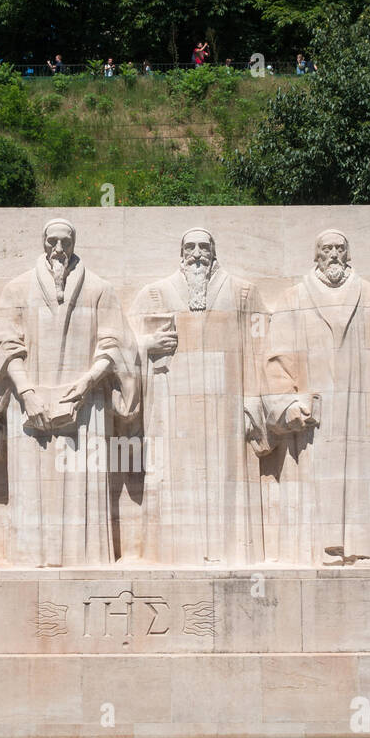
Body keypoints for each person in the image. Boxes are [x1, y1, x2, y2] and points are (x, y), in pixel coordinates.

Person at [0, 220, 141, 566]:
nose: (58, 249)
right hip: (29, 405)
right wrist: (26, 392)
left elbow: (116, 345)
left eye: (64, 242)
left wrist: (87, 383)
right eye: (52, 242)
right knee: (32, 491)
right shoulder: (17, 289)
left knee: (82, 489)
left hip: (87, 406)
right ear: (43, 244)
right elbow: (5, 346)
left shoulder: (100, 289)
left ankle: (85, 559)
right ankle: (30, 559)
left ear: (73, 244)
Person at [262, 230, 370, 566]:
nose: (333, 254)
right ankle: (321, 549)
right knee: (318, 477)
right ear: (316, 255)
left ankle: (368, 548)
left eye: (340, 248)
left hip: (363, 408)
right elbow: (276, 359)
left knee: (366, 475)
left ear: (348, 254)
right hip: (317, 412)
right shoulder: (294, 298)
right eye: (326, 248)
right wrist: (288, 404)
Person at [126, 228, 271, 564]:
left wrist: (253, 398)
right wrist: (146, 345)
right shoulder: (154, 294)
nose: (196, 254)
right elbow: (121, 345)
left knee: (228, 479)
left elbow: (263, 348)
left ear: (213, 252)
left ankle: (233, 554)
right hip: (170, 408)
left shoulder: (242, 293)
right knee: (171, 475)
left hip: (228, 408)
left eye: (203, 247)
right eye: (189, 247)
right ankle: (168, 555)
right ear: (181, 253)